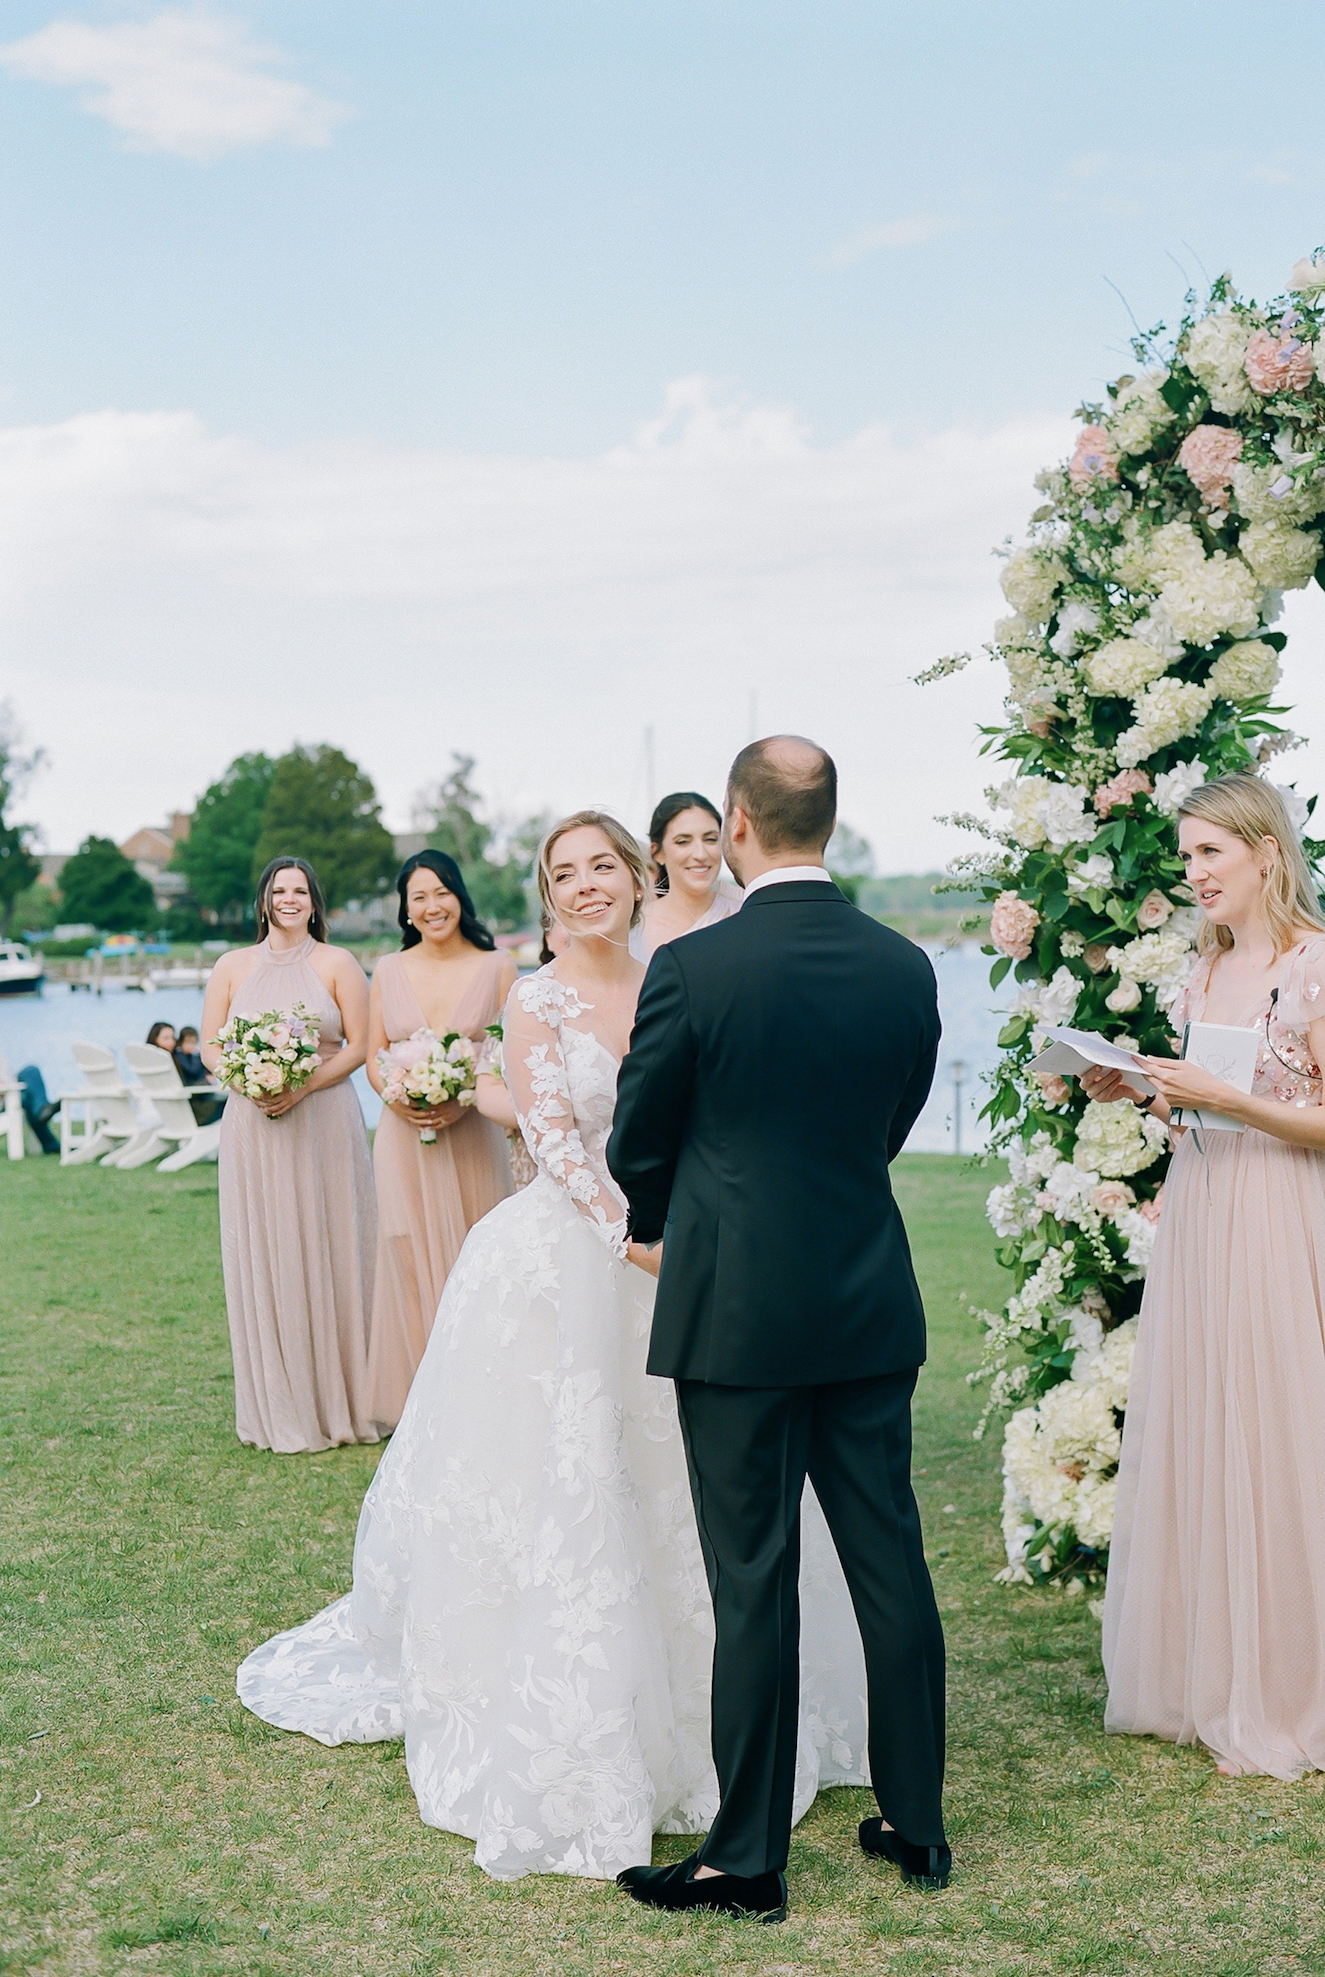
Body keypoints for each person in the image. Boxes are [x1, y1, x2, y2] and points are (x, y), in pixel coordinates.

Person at [236, 811, 869, 1882]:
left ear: (637, 876)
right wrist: (628, 1236)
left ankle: (725, 1716)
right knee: (570, 1484)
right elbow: (549, 1136)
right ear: (545, 895)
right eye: (562, 874)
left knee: (695, 1492)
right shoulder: (533, 1000)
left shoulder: (686, 972)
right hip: (572, 1259)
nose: (584, 888)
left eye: (600, 868)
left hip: (692, 1263)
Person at [608, 736, 949, 1922]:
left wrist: (662, 1218)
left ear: (739, 827)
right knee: (889, 1561)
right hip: (864, 1298)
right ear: (829, 824)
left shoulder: (694, 967)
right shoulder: (907, 967)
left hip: (735, 1315)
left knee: (751, 1581)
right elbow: (890, 1122)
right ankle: (914, 1822)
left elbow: (637, 1138)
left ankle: (745, 1857)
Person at [1087, 774, 1325, 1785]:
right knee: (1211, 1422)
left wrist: (1217, 1091)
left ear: (1264, 853)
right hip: (1203, 1212)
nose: (1191, 874)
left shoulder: (1318, 967)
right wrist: (1147, 1092)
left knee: (1283, 1425)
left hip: (1282, 1221)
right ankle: (1214, 1671)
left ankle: (1299, 1684)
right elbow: (1205, 1119)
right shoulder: (1203, 974)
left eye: (1208, 854)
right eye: (1183, 857)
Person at [200, 857, 380, 1455]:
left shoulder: (338, 963)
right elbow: (208, 1042)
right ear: (264, 899)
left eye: (300, 891)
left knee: (331, 1245)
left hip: (324, 1121)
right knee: (265, 1249)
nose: (289, 899)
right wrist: (244, 1077)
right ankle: (279, 1404)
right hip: (252, 1125)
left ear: (314, 901)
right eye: (280, 890)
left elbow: (358, 1046)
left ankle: (342, 1403)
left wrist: (302, 1085)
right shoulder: (232, 966)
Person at [362, 850, 518, 1427]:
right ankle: (419, 1409)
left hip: (473, 1132)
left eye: (441, 892)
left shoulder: (497, 966)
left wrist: (461, 1101)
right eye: (419, 897)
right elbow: (375, 1055)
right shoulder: (387, 969)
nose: (432, 906)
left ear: (459, 896)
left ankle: (480, 1401)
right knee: (407, 1252)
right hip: (403, 1136)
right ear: (406, 908)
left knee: (475, 1259)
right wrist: (401, 1098)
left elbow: (509, 1053)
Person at [631, 792, 742, 961]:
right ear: (657, 852)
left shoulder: (744, 912)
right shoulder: (635, 927)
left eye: (711, 839)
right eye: (683, 842)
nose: (700, 854)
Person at [174, 1025, 225, 1126]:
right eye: (187, 1042)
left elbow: (204, 1069)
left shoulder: (186, 1056)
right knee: (227, 1102)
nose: (191, 1046)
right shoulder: (181, 1056)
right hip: (198, 1102)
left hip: (202, 1095)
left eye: (193, 1043)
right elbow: (192, 1070)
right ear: (181, 1042)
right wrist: (196, 1056)